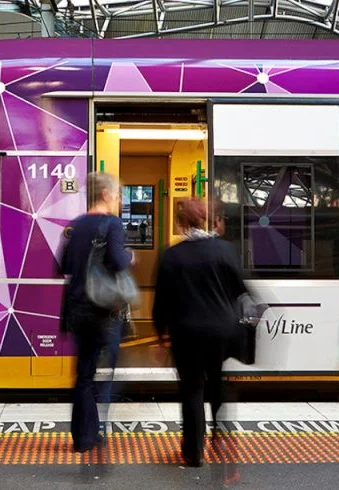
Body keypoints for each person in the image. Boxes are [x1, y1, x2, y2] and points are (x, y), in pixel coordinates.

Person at [152, 197, 249, 467]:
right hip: (222, 331)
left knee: (192, 390)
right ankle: (220, 433)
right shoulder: (225, 250)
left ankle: (194, 452)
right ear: (206, 219)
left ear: (181, 224)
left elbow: (162, 302)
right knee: (217, 382)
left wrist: (160, 335)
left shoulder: (172, 255)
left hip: (187, 333)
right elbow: (239, 290)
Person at [59, 172, 134, 453]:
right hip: (101, 310)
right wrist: (130, 256)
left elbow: (63, 266)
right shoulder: (112, 223)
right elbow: (118, 261)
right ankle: (95, 429)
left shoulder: (76, 225)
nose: (118, 201)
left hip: (76, 308)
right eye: (117, 195)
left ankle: (84, 437)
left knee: (84, 375)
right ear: (105, 194)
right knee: (110, 370)